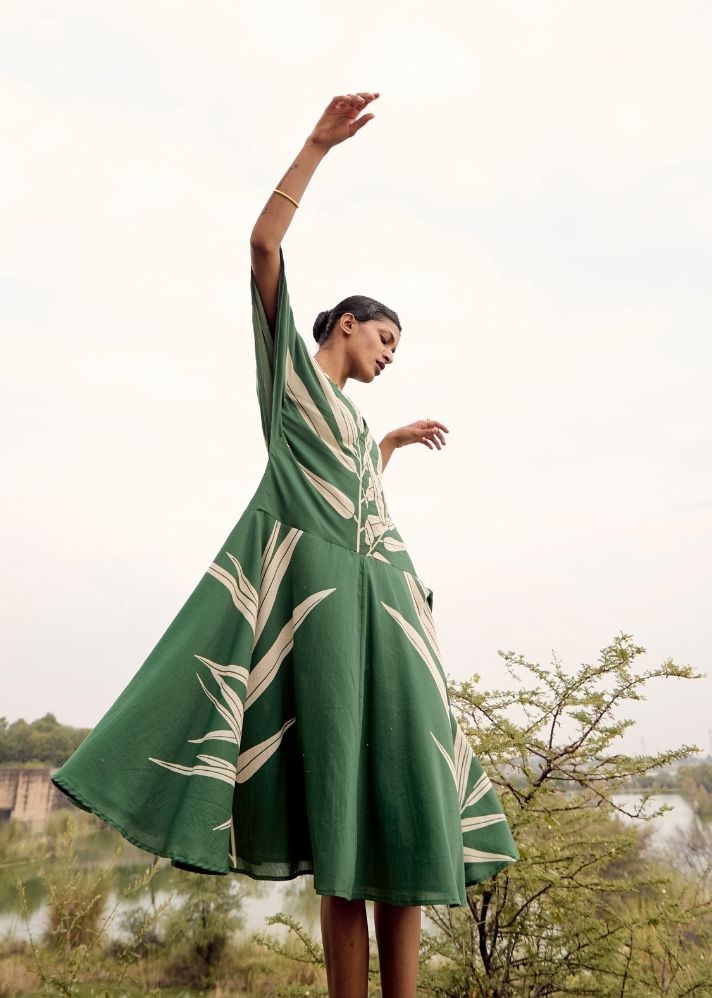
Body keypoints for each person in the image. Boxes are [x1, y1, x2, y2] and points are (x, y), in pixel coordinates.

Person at [52, 92, 518, 998]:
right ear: (345, 323)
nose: (389, 355)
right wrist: (315, 145)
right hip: (328, 627)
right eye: (385, 338)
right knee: (341, 817)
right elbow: (263, 249)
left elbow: (356, 488)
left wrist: (391, 441)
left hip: (393, 620)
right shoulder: (293, 386)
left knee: (405, 807)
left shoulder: (348, 421)